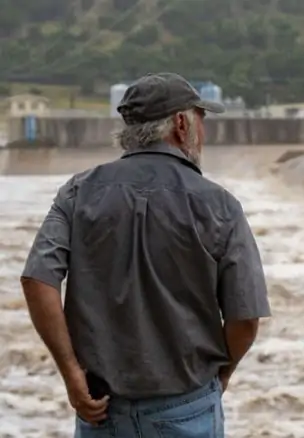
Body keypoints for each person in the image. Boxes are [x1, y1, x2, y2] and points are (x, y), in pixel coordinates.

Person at [20, 72, 271, 437]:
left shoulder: (77, 192)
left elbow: (36, 279)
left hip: (100, 409)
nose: (203, 132)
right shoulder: (219, 205)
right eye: (201, 119)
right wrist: (221, 375)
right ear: (181, 124)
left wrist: (72, 374)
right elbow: (245, 318)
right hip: (187, 408)